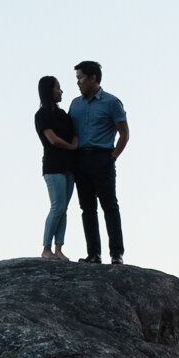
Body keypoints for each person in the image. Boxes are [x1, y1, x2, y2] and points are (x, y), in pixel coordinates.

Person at [68, 59, 128, 265]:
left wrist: (112, 157)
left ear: (93, 77)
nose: (78, 82)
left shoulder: (111, 102)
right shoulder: (75, 104)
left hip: (103, 157)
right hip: (80, 160)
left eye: (80, 78)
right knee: (87, 208)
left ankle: (116, 254)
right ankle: (94, 254)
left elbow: (124, 134)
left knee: (109, 206)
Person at [36, 76, 78, 259]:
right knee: (57, 206)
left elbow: (75, 134)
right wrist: (70, 146)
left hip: (69, 166)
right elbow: (52, 139)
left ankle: (59, 248)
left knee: (64, 208)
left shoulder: (63, 115)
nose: (61, 91)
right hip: (53, 167)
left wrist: (74, 143)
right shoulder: (42, 115)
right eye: (58, 88)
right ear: (48, 91)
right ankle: (46, 248)